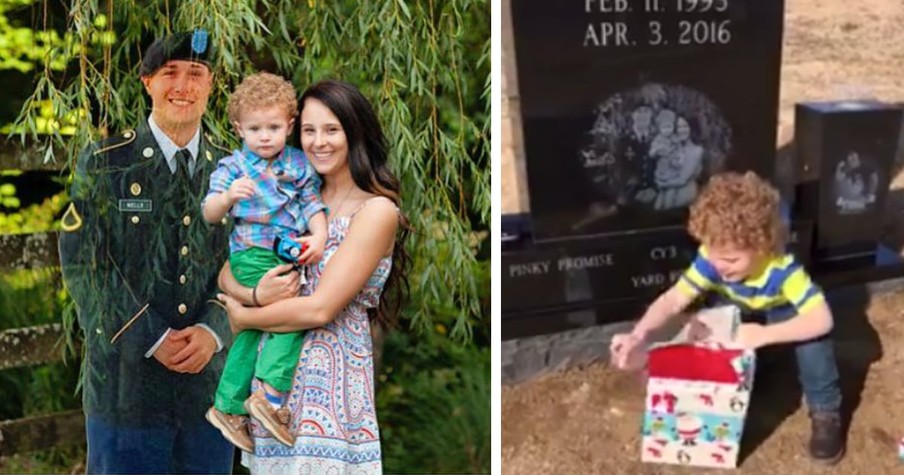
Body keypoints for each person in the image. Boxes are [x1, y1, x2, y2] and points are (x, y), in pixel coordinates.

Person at [58, 30, 235, 473]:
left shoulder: (234, 171)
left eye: (195, 73)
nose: (183, 86)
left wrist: (215, 329)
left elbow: (249, 264)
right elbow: (85, 263)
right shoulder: (106, 162)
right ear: (147, 82)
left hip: (208, 392)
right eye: (169, 73)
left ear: (211, 83)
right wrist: (151, 336)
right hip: (126, 392)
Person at [215, 79, 409, 474]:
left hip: (331, 389)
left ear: (355, 132)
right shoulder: (293, 199)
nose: (319, 142)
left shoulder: (375, 212)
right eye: (309, 130)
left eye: (331, 129)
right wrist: (254, 293)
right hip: (274, 395)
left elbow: (321, 308)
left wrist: (245, 317)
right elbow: (228, 271)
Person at [609, 171, 845, 465]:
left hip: (783, 313)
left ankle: (825, 410)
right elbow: (673, 299)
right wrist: (639, 333)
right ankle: (737, 380)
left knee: (814, 343)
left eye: (732, 259)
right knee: (707, 326)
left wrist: (764, 335)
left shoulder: (783, 269)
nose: (720, 266)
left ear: (762, 246)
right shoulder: (712, 258)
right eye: (713, 254)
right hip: (736, 309)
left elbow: (822, 319)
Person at [201, 72, 328, 452]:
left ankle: (226, 405)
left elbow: (310, 203)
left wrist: (319, 235)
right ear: (239, 128)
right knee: (290, 318)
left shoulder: (297, 163)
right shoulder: (234, 168)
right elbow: (209, 211)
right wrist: (226, 200)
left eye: (273, 127)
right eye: (255, 128)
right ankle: (270, 397)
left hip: (284, 250)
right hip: (252, 254)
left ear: (289, 126)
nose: (265, 136)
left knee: (253, 333)